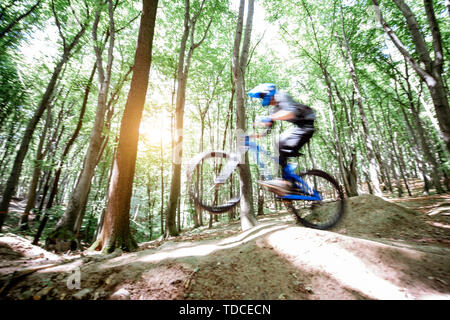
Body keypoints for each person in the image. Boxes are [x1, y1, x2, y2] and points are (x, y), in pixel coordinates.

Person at [248, 83, 315, 195]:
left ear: (268, 93)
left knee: (282, 140)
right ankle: (288, 183)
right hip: (300, 127)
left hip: (307, 125)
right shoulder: (273, 111)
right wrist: (254, 135)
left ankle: (288, 182)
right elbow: (268, 130)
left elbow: (291, 113)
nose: (264, 100)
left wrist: (270, 118)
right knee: (279, 143)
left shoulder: (281, 96)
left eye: (263, 96)